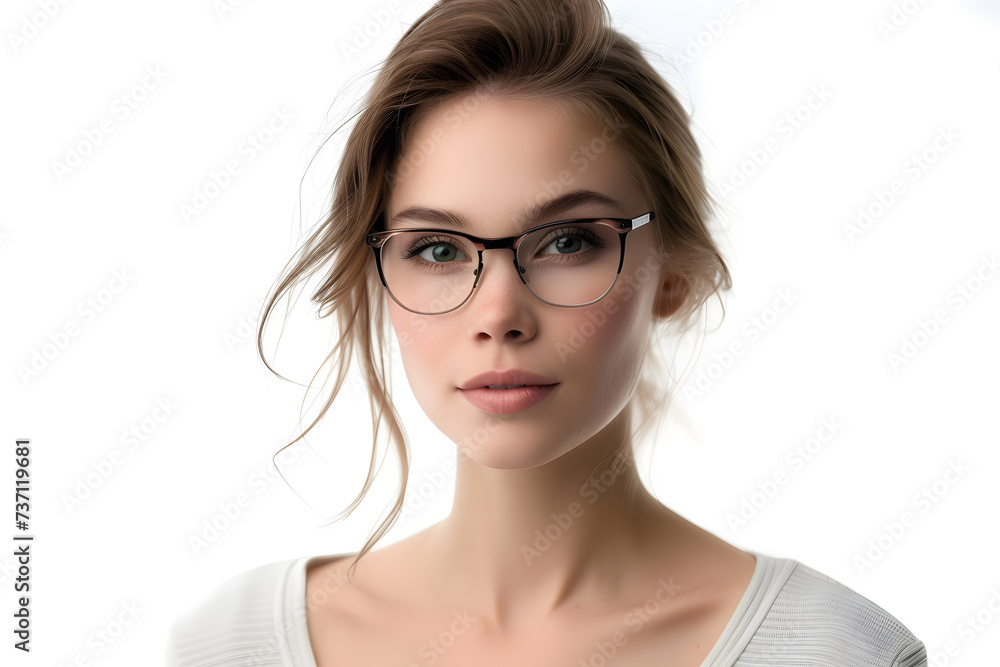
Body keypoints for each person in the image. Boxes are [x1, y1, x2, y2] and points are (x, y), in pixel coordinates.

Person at [167, 1, 927, 664]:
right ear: (379, 275)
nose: (498, 315)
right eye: (437, 249)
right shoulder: (233, 645)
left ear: (674, 273)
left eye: (568, 242)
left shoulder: (835, 650)